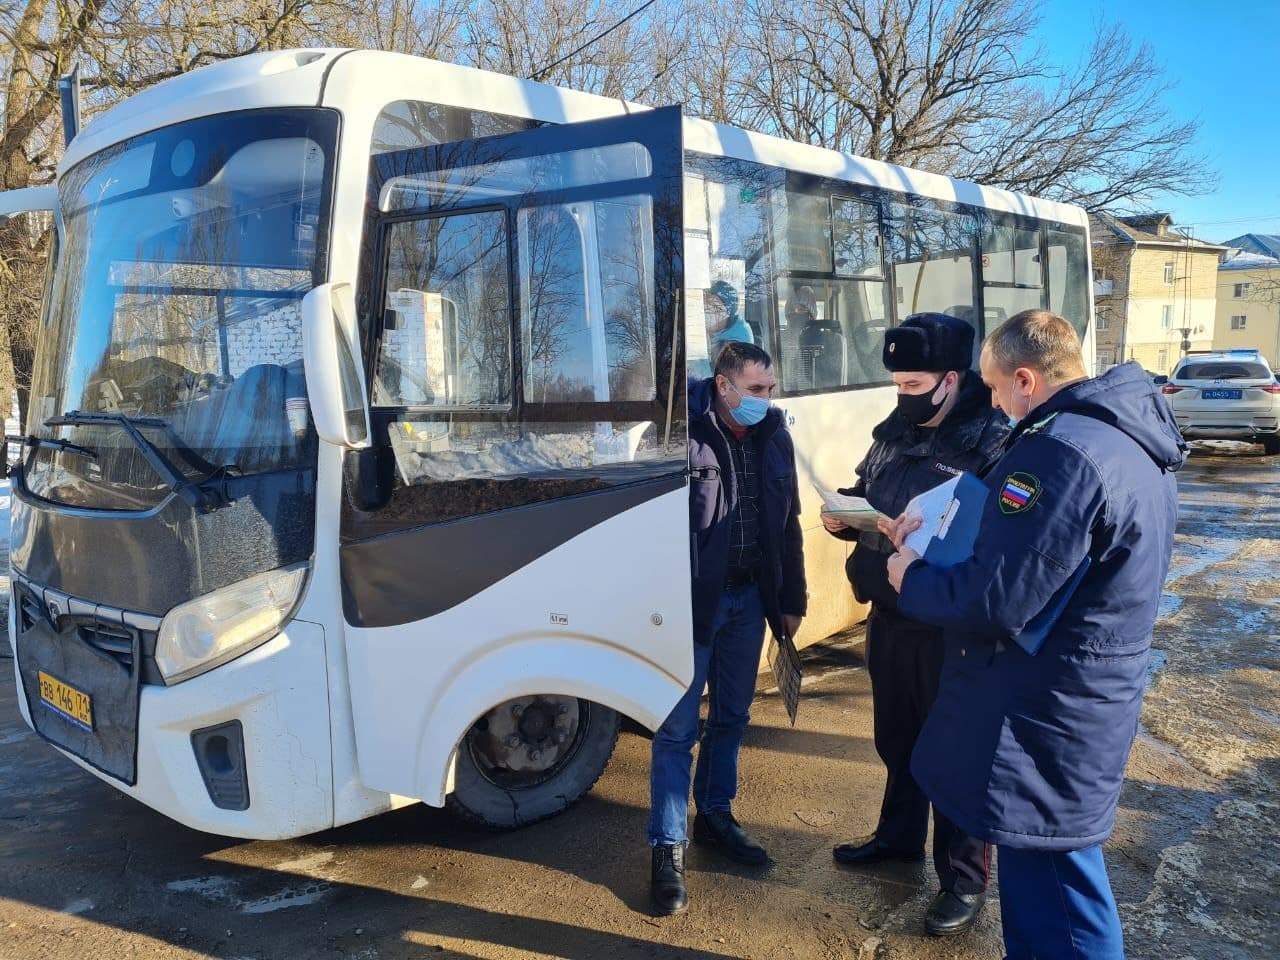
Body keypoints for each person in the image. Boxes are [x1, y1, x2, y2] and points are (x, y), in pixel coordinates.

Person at [883, 309, 1186, 959]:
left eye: (995, 390)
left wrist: (911, 576)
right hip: (1080, 698)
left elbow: (998, 599)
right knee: (1054, 882)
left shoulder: (1058, 451)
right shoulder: (1122, 437)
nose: (994, 403)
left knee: (1058, 900)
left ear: (1025, 380)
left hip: (1044, 711)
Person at [823, 313, 1010, 937]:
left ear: (952, 380)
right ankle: (897, 839)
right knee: (897, 737)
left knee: (952, 751)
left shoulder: (993, 440)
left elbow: (997, 535)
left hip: (948, 620)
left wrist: (927, 544)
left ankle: (964, 879)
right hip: (891, 609)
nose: (902, 394)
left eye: (913, 383)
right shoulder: (893, 432)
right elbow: (869, 485)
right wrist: (847, 512)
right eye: (897, 382)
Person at [649, 340, 806, 916]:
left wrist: (790, 600)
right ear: (724, 385)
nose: (767, 401)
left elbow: (787, 523)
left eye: (771, 390)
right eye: (756, 390)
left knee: (733, 716)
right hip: (691, 607)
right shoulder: (678, 435)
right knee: (676, 730)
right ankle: (668, 848)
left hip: (748, 603)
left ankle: (715, 814)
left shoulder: (773, 437)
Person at [705, 279, 754, 350]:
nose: (708, 311)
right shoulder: (721, 327)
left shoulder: (736, 341)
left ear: (728, 313)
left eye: (716, 307)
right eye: (706, 304)